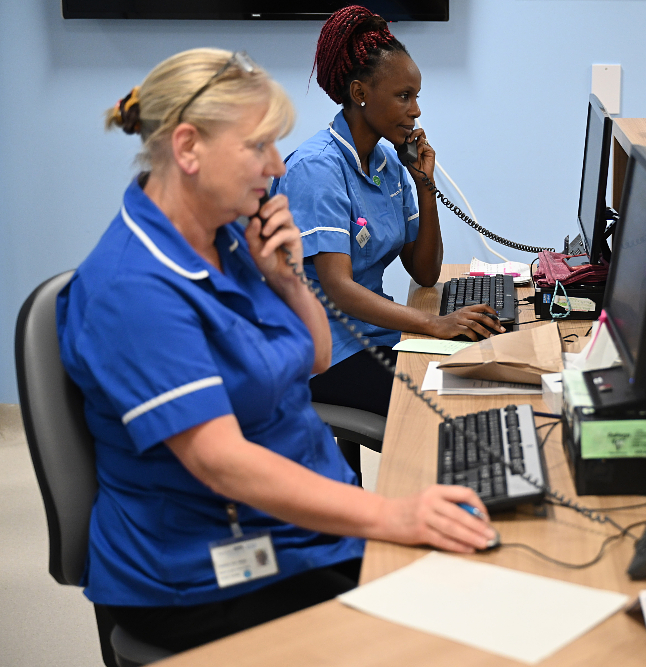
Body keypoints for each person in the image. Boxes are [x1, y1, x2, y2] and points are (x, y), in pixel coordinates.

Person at [57, 47, 496, 655]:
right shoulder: (132, 291)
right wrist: (392, 516)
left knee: (473, 587)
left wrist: (289, 278)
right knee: (434, 638)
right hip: (205, 570)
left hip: (290, 530)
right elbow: (221, 462)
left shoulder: (229, 236)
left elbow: (314, 359)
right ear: (187, 149)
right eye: (258, 146)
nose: (277, 166)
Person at [273, 6, 503, 443]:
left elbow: (424, 271)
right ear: (360, 92)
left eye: (416, 96)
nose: (415, 110)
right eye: (403, 96)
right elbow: (338, 288)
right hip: (324, 354)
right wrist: (435, 324)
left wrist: (424, 185)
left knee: (478, 371)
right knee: (449, 409)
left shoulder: (385, 161)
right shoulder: (316, 167)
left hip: (372, 336)